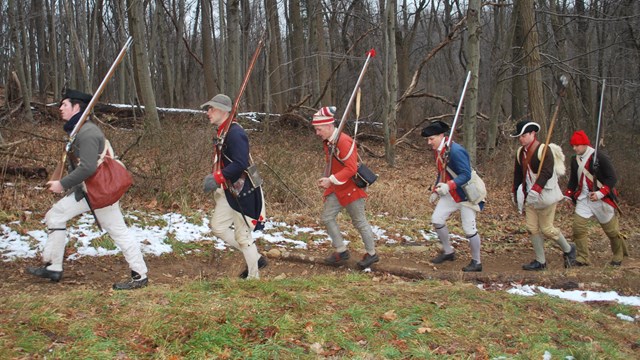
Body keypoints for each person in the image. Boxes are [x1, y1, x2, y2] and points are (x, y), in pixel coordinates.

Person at [27, 89, 148, 290]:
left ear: (77, 107)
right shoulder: (78, 130)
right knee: (56, 216)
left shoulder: (88, 132)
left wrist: (62, 184)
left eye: (64, 104)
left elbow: (88, 167)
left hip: (99, 193)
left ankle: (140, 275)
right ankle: (53, 267)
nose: (60, 108)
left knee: (118, 232)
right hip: (89, 191)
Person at [202, 94, 267, 279]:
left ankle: (253, 277)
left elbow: (240, 163)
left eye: (211, 108)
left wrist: (217, 177)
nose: (208, 112)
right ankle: (256, 257)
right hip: (229, 190)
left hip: (242, 191)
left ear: (223, 111)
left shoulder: (235, 133)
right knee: (218, 227)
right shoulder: (224, 131)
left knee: (243, 236)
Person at [312, 106, 379, 269]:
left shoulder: (344, 141)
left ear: (329, 126)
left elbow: (351, 168)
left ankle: (372, 254)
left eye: (319, 129)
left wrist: (331, 180)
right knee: (327, 217)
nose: (317, 133)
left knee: (359, 222)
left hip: (351, 188)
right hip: (337, 187)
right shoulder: (328, 142)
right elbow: (333, 164)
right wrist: (327, 178)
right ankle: (341, 251)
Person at [511, 119, 576, 270]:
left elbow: (547, 172)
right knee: (532, 228)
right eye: (519, 136)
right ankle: (541, 261)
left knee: (547, 229)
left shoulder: (543, 150)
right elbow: (518, 175)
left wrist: (536, 189)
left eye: (524, 135)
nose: (521, 138)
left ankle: (568, 249)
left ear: (532, 134)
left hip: (545, 195)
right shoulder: (520, 152)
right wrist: (515, 194)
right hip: (530, 197)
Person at [422, 121, 484, 272]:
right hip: (451, 193)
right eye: (428, 139)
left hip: (466, 194)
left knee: (469, 229)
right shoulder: (439, 151)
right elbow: (441, 172)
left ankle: (477, 262)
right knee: (437, 220)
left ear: (441, 136)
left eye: (432, 139)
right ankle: (448, 251)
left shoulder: (455, 151)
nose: (429, 142)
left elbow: (466, 175)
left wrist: (448, 185)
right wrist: (436, 190)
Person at [564, 130, 628, 266]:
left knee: (611, 231)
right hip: (584, 199)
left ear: (585, 144)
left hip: (602, 199)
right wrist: (568, 196)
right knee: (578, 228)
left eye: (577, 145)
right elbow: (573, 180)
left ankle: (618, 254)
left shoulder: (599, 157)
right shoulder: (574, 160)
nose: (574, 148)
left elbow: (612, 178)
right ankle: (583, 258)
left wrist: (600, 193)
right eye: (573, 146)